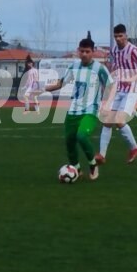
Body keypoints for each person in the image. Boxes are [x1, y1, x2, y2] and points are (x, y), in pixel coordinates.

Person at [46, 37, 114, 181]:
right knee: (69, 141)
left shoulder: (99, 68)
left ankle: (93, 164)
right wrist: (43, 89)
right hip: (73, 110)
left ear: (93, 52)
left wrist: (107, 104)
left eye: (87, 51)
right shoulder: (74, 66)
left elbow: (111, 86)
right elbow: (61, 83)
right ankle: (76, 169)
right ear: (78, 51)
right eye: (82, 51)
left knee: (81, 136)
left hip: (90, 111)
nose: (84, 54)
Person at [101, 24, 137, 164]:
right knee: (107, 121)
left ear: (126, 35)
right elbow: (116, 66)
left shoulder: (133, 50)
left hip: (132, 90)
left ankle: (134, 147)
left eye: (120, 36)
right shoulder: (114, 50)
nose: (118, 39)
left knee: (119, 121)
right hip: (119, 88)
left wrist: (132, 79)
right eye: (116, 36)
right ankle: (101, 155)